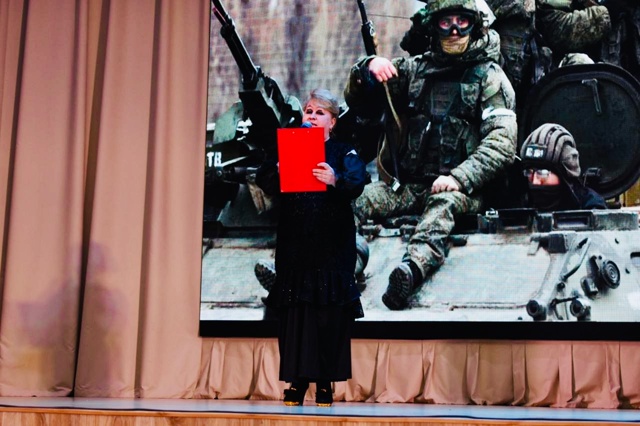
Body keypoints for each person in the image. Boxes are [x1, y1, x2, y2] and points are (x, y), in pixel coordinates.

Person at [344, 0, 517, 310]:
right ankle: (337, 263)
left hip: (464, 192)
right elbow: (362, 102)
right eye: (446, 22)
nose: (454, 30)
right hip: (410, 187)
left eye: (462, 21)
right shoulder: (416, 71)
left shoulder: (490, 77)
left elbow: (501, 143)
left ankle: (411, 270)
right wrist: (367, 68)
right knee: (357, 199)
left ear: (474, 25)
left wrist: (459, 178)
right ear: (434, 27)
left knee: (442, 206)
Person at [254, 89, 367, 407]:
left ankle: (325, 383)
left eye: (320, 113)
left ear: (332, 121)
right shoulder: (287, 146)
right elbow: (264, 178)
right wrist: (278, 168)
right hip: (296, 245)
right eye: (308, 111)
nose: (312, 117)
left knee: (328, 315)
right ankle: (297, 381)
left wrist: (335, 178)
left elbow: (357, 181)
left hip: (331, 247)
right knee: (296, 317)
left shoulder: (343, 150)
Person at [520, 123, 606, 211]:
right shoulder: (523, 203)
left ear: (564, 175)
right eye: (529, 172)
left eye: (542, 173)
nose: (535, 181)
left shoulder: (592, 207)